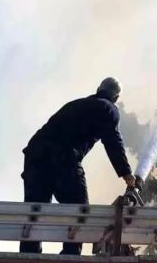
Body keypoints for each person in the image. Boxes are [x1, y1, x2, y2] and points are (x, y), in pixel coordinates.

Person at [19, 77, 136, 255]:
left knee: (34, 211)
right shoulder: (108, 108)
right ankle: (70, 254)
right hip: (63, 158)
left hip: (35, 156)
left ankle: (29, 256)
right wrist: (126, 173)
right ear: (116, 97)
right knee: (80, 211)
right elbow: (113, 141)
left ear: (98, 88)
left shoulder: (76, 104)